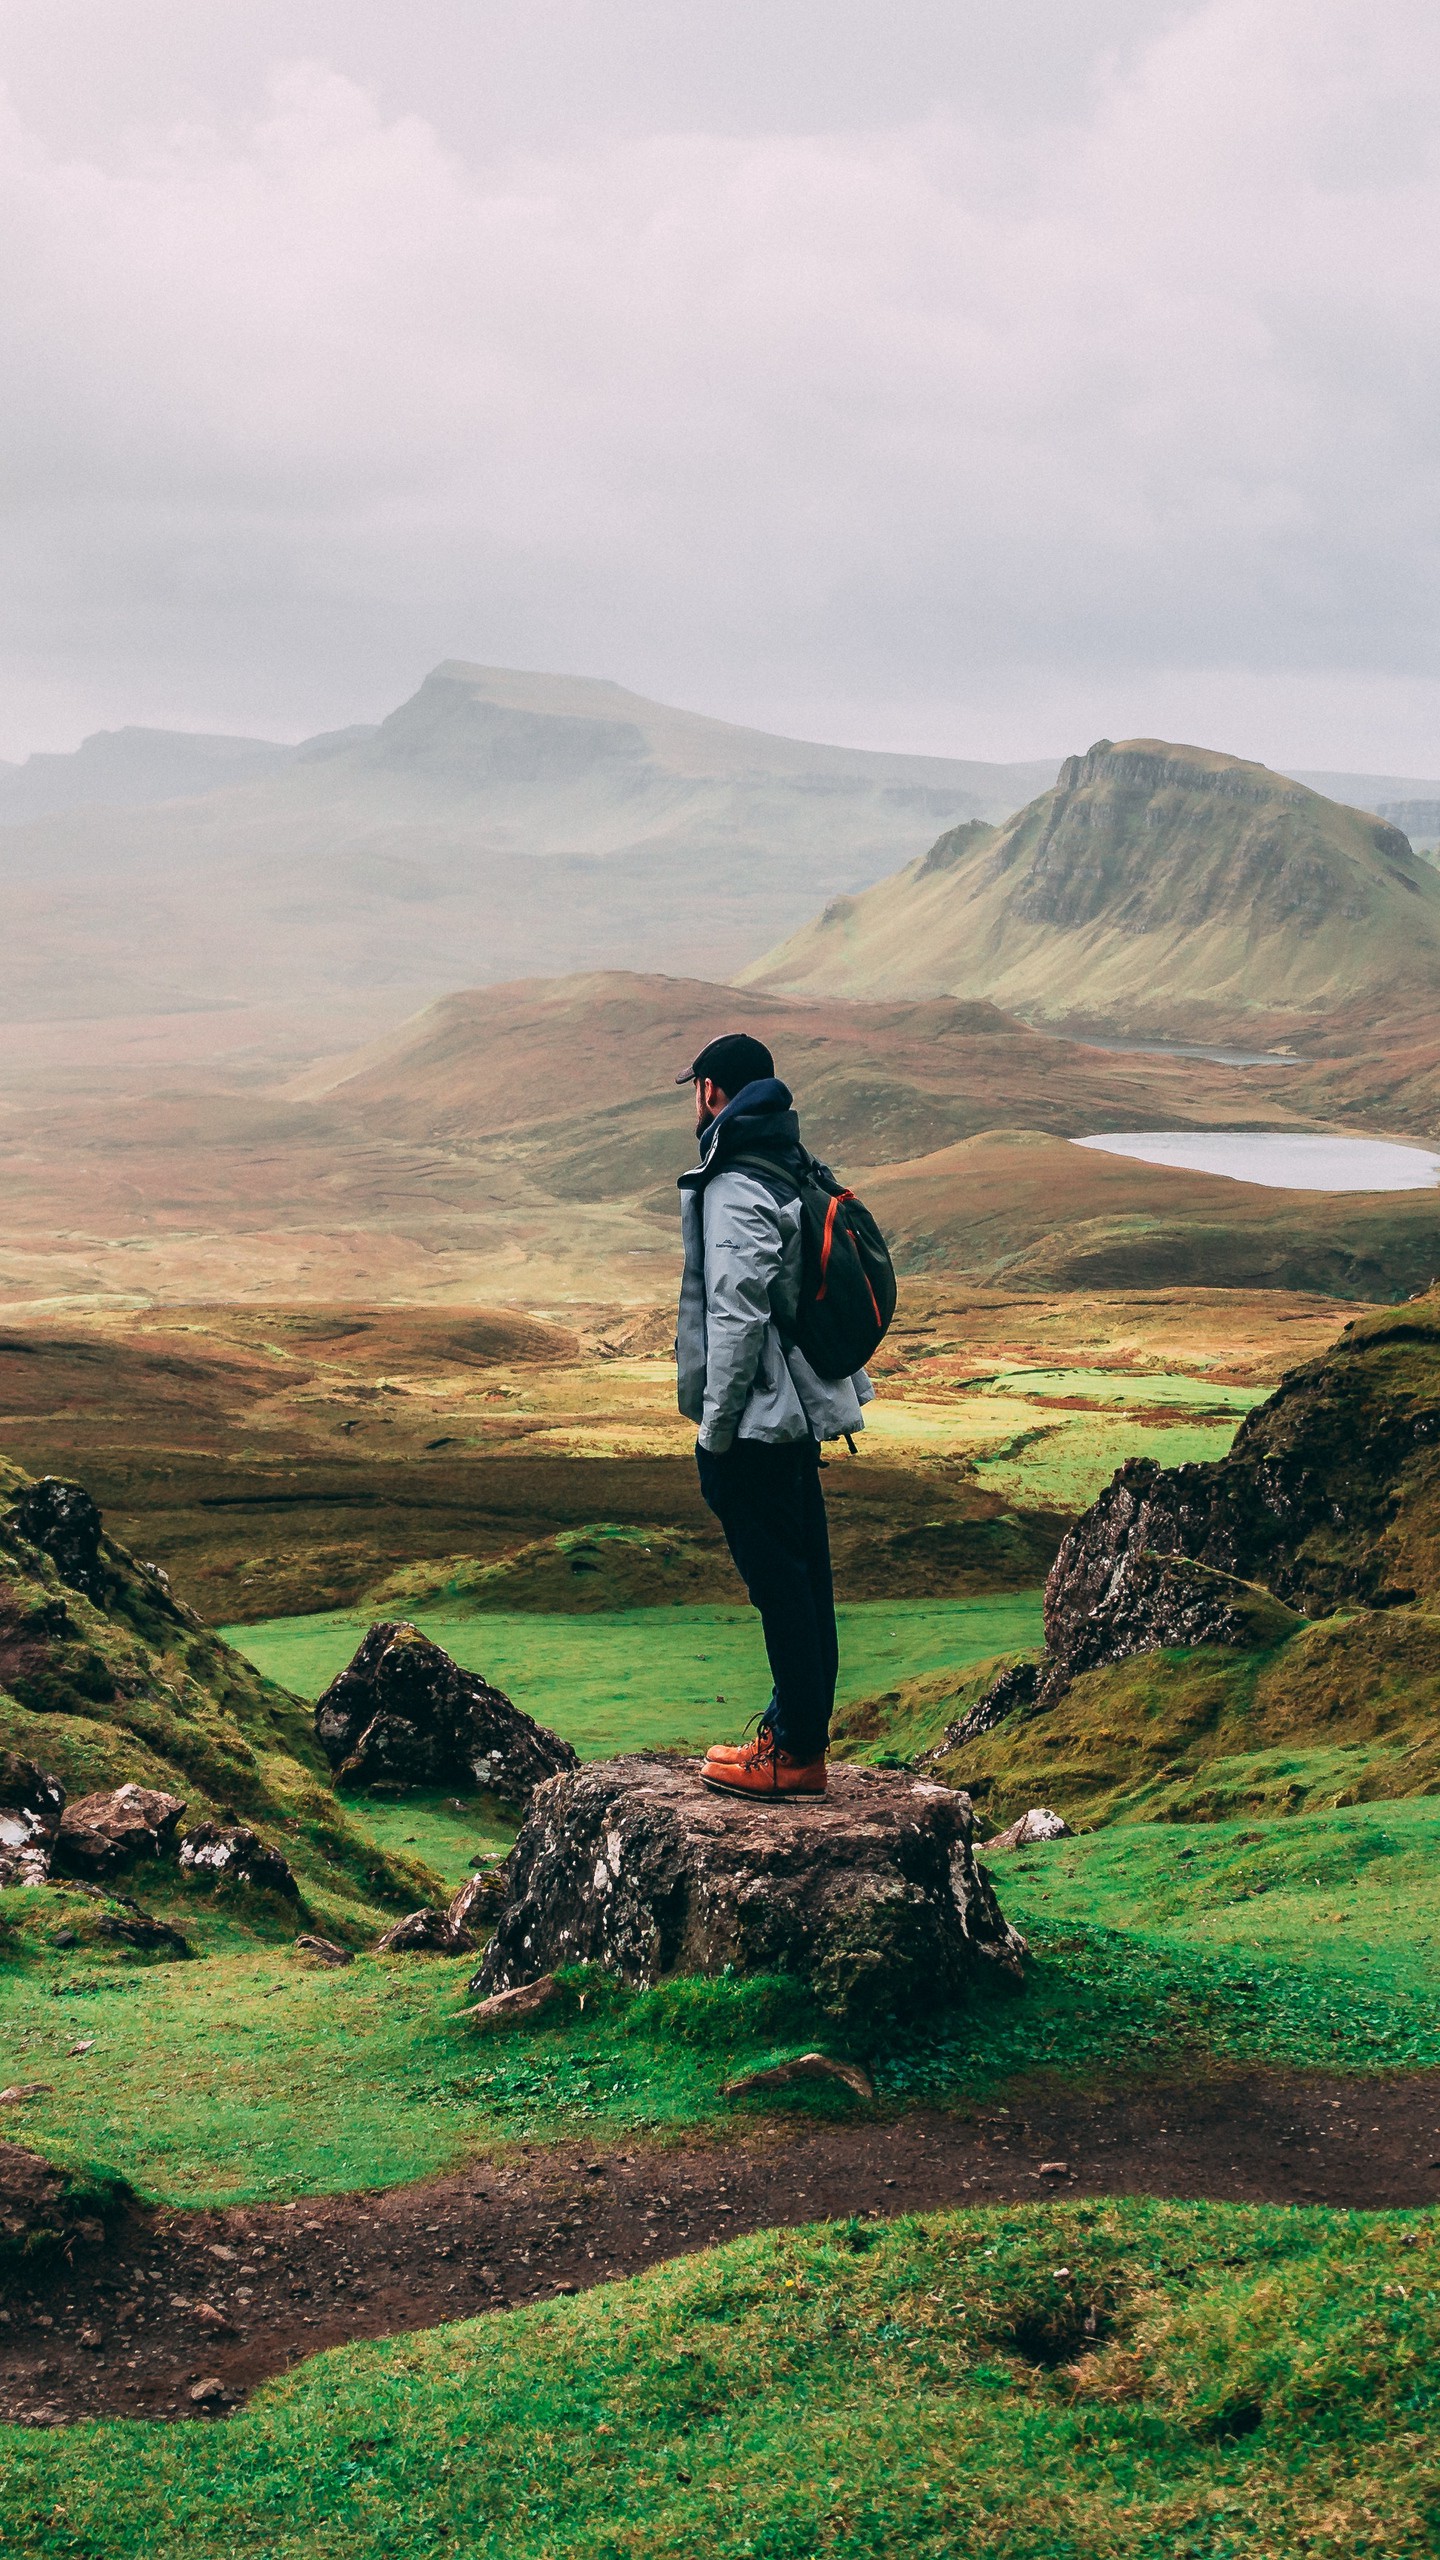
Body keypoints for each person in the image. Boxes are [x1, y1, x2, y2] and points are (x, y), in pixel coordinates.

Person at [674, 1031, 873, 1798]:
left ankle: (792, 1755)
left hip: (759, 1420)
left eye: (696, 1088)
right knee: (803, 1576)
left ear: (712, 1091)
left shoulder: (735, 1179)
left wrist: (714, 1432)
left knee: (780, 1584)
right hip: (796, 1413)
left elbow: (735, 1314)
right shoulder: (787, 1158)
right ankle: (792, 1733)